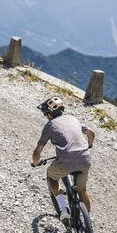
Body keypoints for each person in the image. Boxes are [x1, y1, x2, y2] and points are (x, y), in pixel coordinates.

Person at [31, 96, 95, 225]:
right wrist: (89, 145)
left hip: (65, 162)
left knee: (52, 177)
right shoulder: (72, 118)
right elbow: (91, 133)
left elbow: (37, 152)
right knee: (82, 190)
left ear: (49, 114)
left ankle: (64, 209)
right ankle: (87, 220)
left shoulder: (50, 125)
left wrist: (35, 163)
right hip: (85, 159)